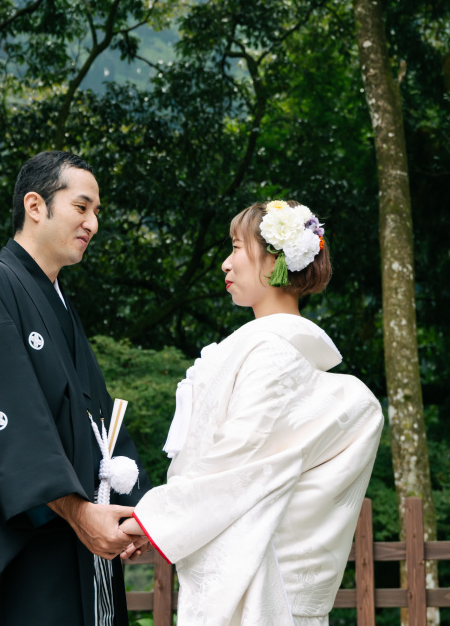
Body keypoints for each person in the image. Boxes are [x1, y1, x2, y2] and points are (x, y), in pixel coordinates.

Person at [121, 198, 384, 626]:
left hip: (265, 591)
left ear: (275, 260)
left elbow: (235, 463)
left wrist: (151, 521)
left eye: (236, 248)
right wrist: (157, 526)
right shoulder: (276, 352)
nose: (225, 264)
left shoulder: (272, 354)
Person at [0, 150, 150, 626]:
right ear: (35, 205)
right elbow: (10, 423)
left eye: (97, 213)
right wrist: (79, 512)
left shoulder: (61, 307)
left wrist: (132, 515)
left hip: (76, 547)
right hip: (29, 547)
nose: (93, 224)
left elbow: (99, 422)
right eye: (82, 207)